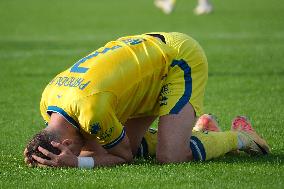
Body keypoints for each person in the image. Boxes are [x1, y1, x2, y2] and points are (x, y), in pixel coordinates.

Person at [24, 32, 270, 168]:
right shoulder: (47, 101)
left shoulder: (92, 112)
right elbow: (100, 145)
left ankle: (240, 137)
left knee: (171, 157)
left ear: (64, 142)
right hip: (144, 60)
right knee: (97, 146)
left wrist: (77, 163)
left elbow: (123, 157)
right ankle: (199, 133)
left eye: (69, 148)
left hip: (176, 59)